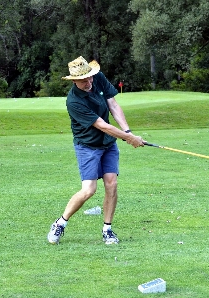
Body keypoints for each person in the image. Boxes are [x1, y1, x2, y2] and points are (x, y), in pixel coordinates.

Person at [47, 56, 145, 245]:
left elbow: (113, 105)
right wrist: (129, 139)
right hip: (88, 146)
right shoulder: (74, 101)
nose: (89, 82)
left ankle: (107, 230)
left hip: (108, 144)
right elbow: (102, 125)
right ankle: (60, 223)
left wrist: (128, 132)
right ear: (74, 81)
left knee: (112, 184)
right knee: (89, 190)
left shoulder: (97, 77)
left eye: (90, 77)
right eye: (84, 80)